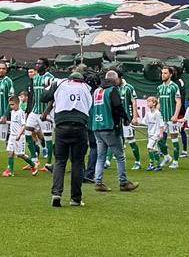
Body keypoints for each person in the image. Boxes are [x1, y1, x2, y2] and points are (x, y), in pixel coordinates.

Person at [48, 68, 94, 208]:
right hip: (79, 126)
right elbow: (89, 106)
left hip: (61, 126)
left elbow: (45, 96)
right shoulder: (86, 87)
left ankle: (56, 194)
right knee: (77, 163)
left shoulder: (61, 84)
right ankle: (75, 198)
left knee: (60, 161)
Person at [88, 69, 133, 192]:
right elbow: (118, 106)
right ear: (115, 79)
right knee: (120, 156)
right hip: (109, 127)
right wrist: (125, 118)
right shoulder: (112, 90)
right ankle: (123, 182)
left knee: (101, 157)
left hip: (96, 127)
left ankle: (98, 182)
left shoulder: (97, 91)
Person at [155, 66, 183, 169]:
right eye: (162, 73)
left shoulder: (174, 86)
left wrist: (175, 115)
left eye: (165, 73)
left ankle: (175, 161)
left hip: (172, 118)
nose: (163, 75)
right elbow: (159, 103)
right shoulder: (159, 87)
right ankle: (167, 157)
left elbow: (178, 102)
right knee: (160, 140)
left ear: (170, 75)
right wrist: (156, 113)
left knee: (174, 139)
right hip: (162, 119)